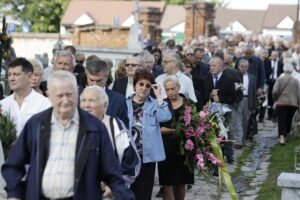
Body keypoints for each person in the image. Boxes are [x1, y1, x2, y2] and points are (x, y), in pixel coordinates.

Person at [2, 70, 135, 200]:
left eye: (69, 94)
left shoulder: (95, 127)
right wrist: (14, 193)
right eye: (59, 96)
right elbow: (14, 164)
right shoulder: (36, 124)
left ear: (77, 92)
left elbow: (112, 170)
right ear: (50, 96)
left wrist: (122, 193)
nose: (65, 101)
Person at [80, 86, 141, 199]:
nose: (86, 105)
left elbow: (132, 164)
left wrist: (114, 185)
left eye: (91, 100)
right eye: (83, 100)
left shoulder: (116, 127)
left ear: (104, 106)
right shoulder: (73, 127)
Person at [127, 69, 172, 200]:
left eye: (148, 85)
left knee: (144, 193)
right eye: (141, 84)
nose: (144, 88)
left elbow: (165, 117)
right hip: (128, 156)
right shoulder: (125, 103)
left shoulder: (155, 104)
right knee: (126, 192)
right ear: (134, 85)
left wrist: (159, 96)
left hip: (146, 156)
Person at [158, 76, 194, 200]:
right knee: (167, 184)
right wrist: (175, 130)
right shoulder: (162, 104)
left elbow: (195, 125)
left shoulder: (189, 103)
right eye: (167, 90)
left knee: (181, 183)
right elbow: (158, 129)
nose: (170, 92)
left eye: (173, 89)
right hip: (166, 148)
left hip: (184, 148)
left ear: (179, 87)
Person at [0, 57, 52, 137]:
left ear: (29, 76)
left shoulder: (44, 104)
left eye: (16, 74)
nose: (11, 79)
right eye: (9, 75)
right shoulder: (3, 104)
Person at [86, 59, 129, 127]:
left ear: (106, 78)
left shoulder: (119, 101)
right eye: (91, 80)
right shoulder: (77, 98)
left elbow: (123, 130)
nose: (94, 84)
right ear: (87, 77)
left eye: (98, 80)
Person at [272, 63, 300, 145]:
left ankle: (282, 138)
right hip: (292, 104)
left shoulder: (279, 79)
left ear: (284, 70)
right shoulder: (296, 81)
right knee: (288, 120)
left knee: (281, 120)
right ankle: (286, 134)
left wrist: (275, 99)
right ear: (292, 71)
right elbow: (299, 94)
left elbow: (274, 91)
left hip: (281, 103)